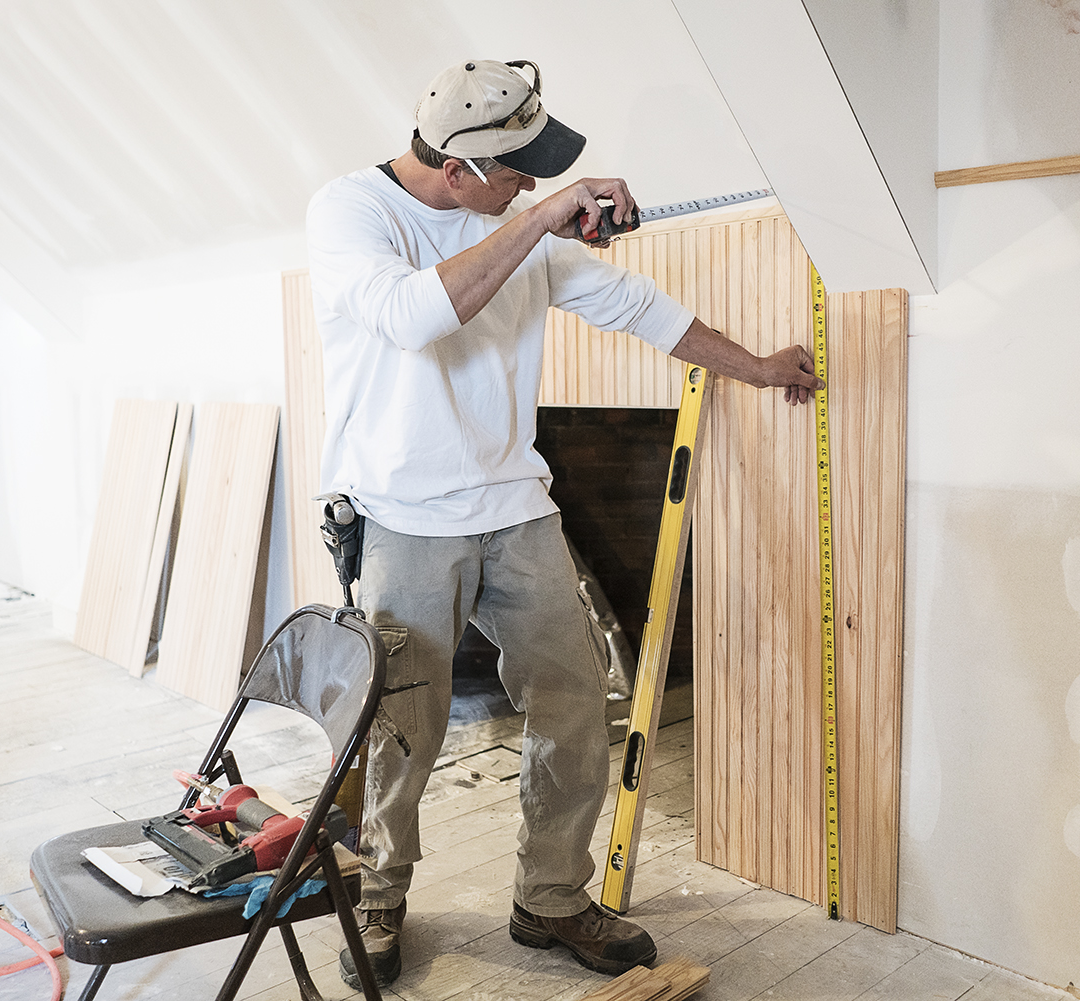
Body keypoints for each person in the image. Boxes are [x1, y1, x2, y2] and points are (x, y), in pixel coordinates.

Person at [305, 58, 822, 990]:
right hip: (400, 515)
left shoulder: (515, 227)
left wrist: (757, 368)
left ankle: (550, 896)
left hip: (514, 508)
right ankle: (379, 891)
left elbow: (639, 308)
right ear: (458, 167)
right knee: (401, 722)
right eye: (515, 171)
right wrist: (538, 222)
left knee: (576, 704)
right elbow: (412, 314)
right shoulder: (352, 214)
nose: (531, 186)